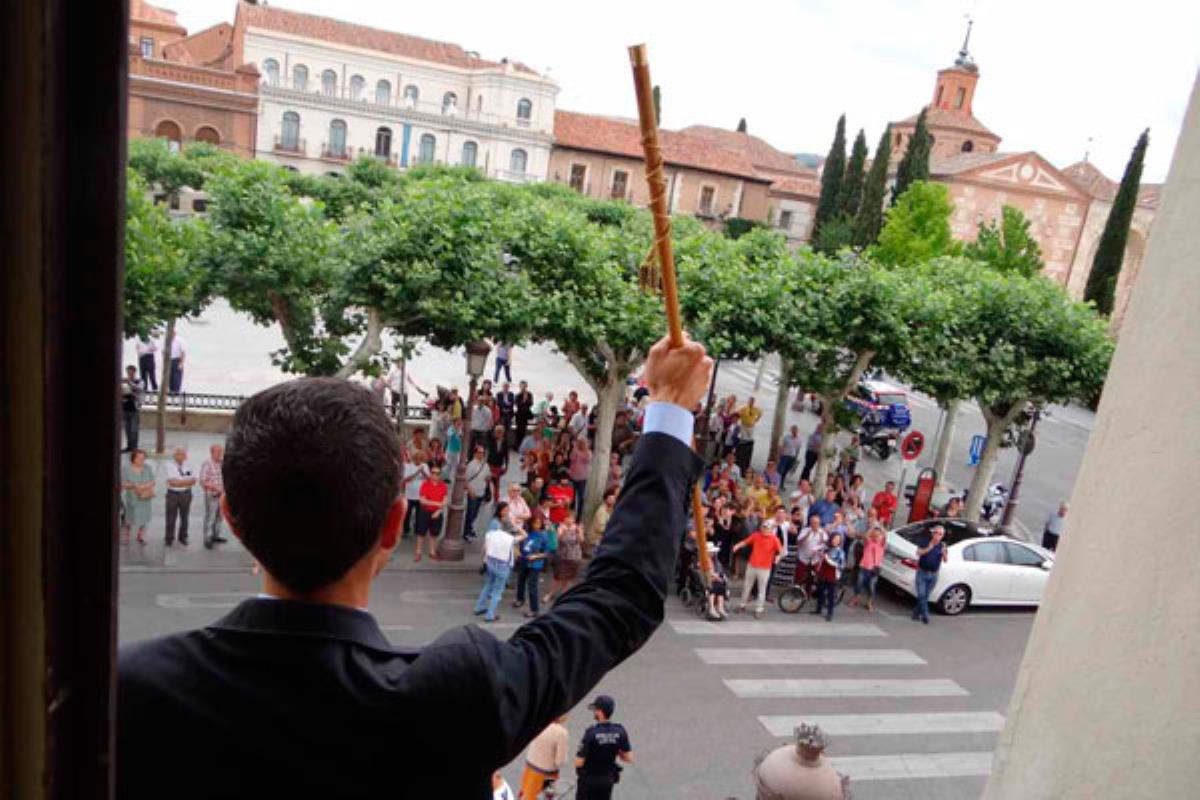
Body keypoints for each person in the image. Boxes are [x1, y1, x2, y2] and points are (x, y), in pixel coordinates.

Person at [116, 335, 710, 798]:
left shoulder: (128, 689)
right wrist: (668, 410)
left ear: (232, 519)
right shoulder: (455, 696)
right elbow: (621, 598)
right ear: (395, 525)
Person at [575, 695, 633, 800]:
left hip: (588, 781)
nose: (594, 712)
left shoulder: (591, 733)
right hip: (607, 780)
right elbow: (628, 758)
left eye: (595, 710)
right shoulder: (620, 731)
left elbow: (579, 762)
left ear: (600, 712)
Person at [474, 503, 523, 623]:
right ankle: (490, 614)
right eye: (505, 510)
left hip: (492, 560)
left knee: (488, 584)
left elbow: (488, 541)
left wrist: (485, 559)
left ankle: (479, 607)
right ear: (500, 510)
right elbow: (489, 541)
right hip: (502, 562)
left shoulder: (498, 523)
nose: (507, 512)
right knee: (497, 591)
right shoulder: (497, 525)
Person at [732, 521, 784, 619]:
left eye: (767, 528)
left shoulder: (774, 539)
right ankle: (742, 605)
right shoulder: (756, 535)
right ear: (761, 528)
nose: (765, 529)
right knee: (747, 586)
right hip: (752, 565)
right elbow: (745, 542)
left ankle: (759, 609)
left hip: (765, 568)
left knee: (762, 589)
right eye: (763, 527)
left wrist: (777, 558)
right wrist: (737, 546)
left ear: (771, 529)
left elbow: (781, 551)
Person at [518, 715, 569, 800]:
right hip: (546, 774)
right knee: (545, 797)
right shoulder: (561, 733)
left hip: (530, 768)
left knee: (526, 794)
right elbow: (560, 761)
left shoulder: (538, 723)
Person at [512, 514, 550, 618]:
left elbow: (547, 553)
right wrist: (518, 551)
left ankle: (535, 610)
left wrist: (536, 556)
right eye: (535, 523)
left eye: (539, 523)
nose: (537, 525)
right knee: (521, 580)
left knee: (532, 586)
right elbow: (520, 543)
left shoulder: (543, 535)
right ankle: (520, 599)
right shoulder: (528, 533)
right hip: (524, 560)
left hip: (535, 564)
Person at [544, 511, 583, 604]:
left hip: (575, 556)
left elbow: (581, 540)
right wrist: (563, 531)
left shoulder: (577, 527)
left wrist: (580, 531)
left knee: (569, 578)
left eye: (571, 518)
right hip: (562, 555)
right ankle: (550, 594)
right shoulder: (560, 527)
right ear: (564, 519)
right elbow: (557, 540)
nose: (569, 520)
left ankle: (564, 596)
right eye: (567, 518)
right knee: (558, 577)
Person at [913, 524, 948, 623]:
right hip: (922, 572)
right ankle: (925, 615)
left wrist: (944, 553)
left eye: (940, 534)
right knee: (921, 594)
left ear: (942, 536)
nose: (937, 535)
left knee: (926, 596)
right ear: (933, 533)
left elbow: (945, 560)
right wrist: (929, 547)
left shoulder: (942, 545)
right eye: (936, 533)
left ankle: (916, 613)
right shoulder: (925, 541)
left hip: (934, 574)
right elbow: (918, 552)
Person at [120, 449, 155, 546]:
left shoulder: (148, 467)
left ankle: (141, 536)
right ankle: (126, 536)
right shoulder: (126, 468)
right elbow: (123, 483)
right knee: (129, 518)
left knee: (144, 517)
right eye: (139, 458)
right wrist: (135, 486)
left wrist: (144, 487)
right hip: (131, 497)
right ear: (133, 459)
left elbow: (153, 481)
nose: (142, 460)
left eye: (143, 458)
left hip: (145, 497)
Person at [162, 446, 196, 546]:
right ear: (174, 456)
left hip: (186, 494)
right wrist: (186, 482)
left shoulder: (189, 464)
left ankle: (183, 537)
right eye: (179, 454)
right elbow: (172, 483)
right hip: (172, 494)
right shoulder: (168, 465)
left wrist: (181, 482)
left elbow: (194, 480)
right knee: (170, 517)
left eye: (183, 454)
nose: (181, 456)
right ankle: (169, 538)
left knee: (185, 517)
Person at [848, 524, 886, 612]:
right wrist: (873, 528)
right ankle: (856, 598)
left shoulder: (881, 544)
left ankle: (869, 602)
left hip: (874, 569)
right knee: (858, 584)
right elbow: (865, 536)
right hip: (864, 567)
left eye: (878, 535)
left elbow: (885, 535)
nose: (876, 537)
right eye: (875, 535)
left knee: (871, 587)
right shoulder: (868, 541)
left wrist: (881, 527)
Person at [415, 463, 448, 561]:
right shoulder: (425, 484)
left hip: (437, 512)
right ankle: (418, 552)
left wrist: (438, 510)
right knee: (421, 533)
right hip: (425, 512)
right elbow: (422, 500)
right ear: (430, 473)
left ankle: (432, 552)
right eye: (433, 473)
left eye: (437, 473)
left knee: (434, 534)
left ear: (440, 474)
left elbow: (445, 501)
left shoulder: (443, 486)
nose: (435, 475)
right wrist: (438, 504)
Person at [811, 532, 845, 621]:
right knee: (820, 592)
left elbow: (839, 565)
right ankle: (818, 609)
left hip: (832, 576)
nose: (836, 541)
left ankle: (830, 613)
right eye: (834, 539)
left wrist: (826, 558)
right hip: (822, 573)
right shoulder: (826, 548)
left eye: (838, 540)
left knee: (830, 596)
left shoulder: (840, 552)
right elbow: (815, 549)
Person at [199, 444, 227, 549]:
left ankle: (216, 535)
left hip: (222, 495)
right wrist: (215, 488)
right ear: (212, 452)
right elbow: (202, 481)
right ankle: (207, 538)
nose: (220, 454)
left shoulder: (222, 463)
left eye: (221, 452)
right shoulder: (207, 464)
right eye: (218, 452)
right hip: (212, 495)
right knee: (210, 517)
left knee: (219, 517)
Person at [464, 446, 491, 543]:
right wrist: (470, 491)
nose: (481, 454)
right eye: (479, 452)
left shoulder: (485, 464)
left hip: (481, 492)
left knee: (475, 513)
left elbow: (487, 476)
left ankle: (470, 528)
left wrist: (488, 477)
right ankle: (466, 532)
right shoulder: (471, 465)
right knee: (470, 513)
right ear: (475, 453)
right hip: (473, 492)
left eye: (483, 453)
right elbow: (465, 479)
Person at [400, 448, 427, 539]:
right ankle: (406, 530)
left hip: (421, 495)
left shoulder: (425, 466)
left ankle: (417, 529)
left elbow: (429, 479)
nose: (419, 461)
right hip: (409, 495)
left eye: (421, 458)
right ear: (414, 458)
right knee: (407, 514)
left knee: (419, 514)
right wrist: (417, 472)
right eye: (418, 458)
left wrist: (423, 473)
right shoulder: (408, 466)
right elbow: (406, 480)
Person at [587, 487, 617, 557]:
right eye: (612, 498)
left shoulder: (612, 510)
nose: (614, 500)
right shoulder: (602, 511)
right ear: (606, 498)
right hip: (598, 541)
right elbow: (600, 528)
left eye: (615, 498)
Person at [120, 365, 143, 452]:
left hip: (134, 408)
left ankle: (134, 447)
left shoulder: (139, 381)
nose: (129, 374)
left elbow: (140, 389)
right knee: (127, 429)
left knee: (134, 429)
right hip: (125, 407)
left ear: (134, 372)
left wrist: (129, 382)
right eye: (127, 372)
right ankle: (129, 446)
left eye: (130, 372)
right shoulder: (124, 381)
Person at [568, 436, 592, 515]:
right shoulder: (575, 451)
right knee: (571, 496)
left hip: (582, 478)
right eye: (580, 442)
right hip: (572, 477)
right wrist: (575, 448)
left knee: (581, 497)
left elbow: (587, 460)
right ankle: (571, 513)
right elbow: (571, 458)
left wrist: (585, 449)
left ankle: (579, 515)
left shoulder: (588, 452)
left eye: (583, 443)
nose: (581, 444)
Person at [514, 380, 534, 449]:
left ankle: (522, 446)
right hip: (519, 415)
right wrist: (523, 401)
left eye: (525, 386)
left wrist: (527, 400)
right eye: (522, 386)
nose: (523, 387)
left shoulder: (529, 394)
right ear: (520, 386)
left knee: (523, 432)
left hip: (525, 415)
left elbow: (531, 403)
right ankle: (517, 446)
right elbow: (517, 404)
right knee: (518, 432)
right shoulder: (518, 395)